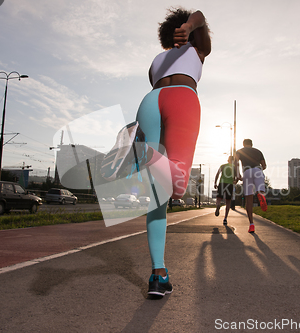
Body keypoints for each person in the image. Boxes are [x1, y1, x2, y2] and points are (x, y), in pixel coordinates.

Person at [100, 7, 211, 297]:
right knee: (176, 186)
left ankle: (158, 275)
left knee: (157, 198)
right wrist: (191, 27)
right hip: (182, 99)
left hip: (149, 102)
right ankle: (141, 152)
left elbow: (160, 82)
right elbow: (200, 14)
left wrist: (185, 27)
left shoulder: (156, 61)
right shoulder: (196, 50)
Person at [235, 139, 267, 233]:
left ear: (243, 144)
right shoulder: (258, 151)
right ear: (252, 144)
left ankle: (251, 225)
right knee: (261, 190)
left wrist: (238, 175)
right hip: (258, 170)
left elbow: (236, 163)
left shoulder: (239, 151)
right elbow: (264, 166)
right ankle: (260, 194)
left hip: (247, 172)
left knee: (249, 199)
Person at [214, 155, 235, 225]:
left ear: (228, 160)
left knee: (219, 198)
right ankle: (225, 218)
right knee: (228, 202)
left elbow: (217, 174)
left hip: (222, 183)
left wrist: (215, 183)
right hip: (230, 184)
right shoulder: (234, 167)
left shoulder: (222, 166)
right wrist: (235, 181)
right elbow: (237, 177)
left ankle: (218, 205)